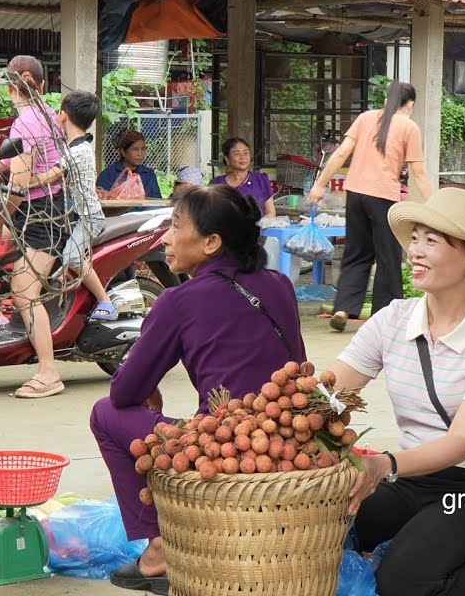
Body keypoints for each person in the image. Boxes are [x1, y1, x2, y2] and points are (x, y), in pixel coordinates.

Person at [90, 185, 306, 595]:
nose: (165, 238)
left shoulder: (177, 301)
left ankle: (158, 549)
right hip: (288, 443)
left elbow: (123, 395)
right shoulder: (280, 284)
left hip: (225, 453)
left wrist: (148, 387)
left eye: (175, 226)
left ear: (211, 243)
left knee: (104, 413)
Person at [333, 188, 465, 596]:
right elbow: (331, 386)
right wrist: (283, 401)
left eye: (431, 241)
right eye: (414, 238)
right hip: (412, 480)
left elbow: (460, 442)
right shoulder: (393, 319)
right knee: (326, 529)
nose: (415, 251)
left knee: (401, 581)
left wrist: (384, 464)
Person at [309, 81, 434, 331]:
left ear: (387, 100)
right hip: (383, 197)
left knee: (356, 253)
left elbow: (342, 153)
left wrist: (319, 184)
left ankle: (343, 309)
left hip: (355, 193)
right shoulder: (409, 127)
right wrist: (435, 204)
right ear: (410, 104)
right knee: (387, 257)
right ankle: (384, 317)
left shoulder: (366, 118)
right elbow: (418, 173)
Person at [0, 55, 71, 398]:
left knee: (25, 292)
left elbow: (22, 183)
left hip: (42, 214)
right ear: (40, 85)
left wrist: (1, 216)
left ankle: (49, 372)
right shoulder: (47, 115)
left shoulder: (24, 122)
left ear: (14, 85)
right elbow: (38, 160)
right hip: (51, 208)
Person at [23, 90, 119, 321]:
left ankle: (105, 301)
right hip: (74, 215)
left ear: (62, 116)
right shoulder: (74, 146)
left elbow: (48, 177)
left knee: (72, 257)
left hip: (88, 217)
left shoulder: (77, 151)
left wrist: (21, 180)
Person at [209, 136, 274, 217]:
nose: (243, 157)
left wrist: (259, 226)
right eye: (237, 153)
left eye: (246, 152)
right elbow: (210, 215)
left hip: (258, 228)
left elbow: (270, 212)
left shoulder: (261, 179)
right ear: (227, 159)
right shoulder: (216, 184)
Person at [98, 129, 162, 199]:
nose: (140, 154)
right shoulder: (108, 175)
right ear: (123, 152)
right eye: (135, 149)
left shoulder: (149, 175)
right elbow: (103, 202)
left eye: (143, 149)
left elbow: (156, 201)